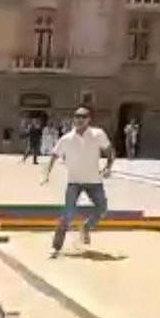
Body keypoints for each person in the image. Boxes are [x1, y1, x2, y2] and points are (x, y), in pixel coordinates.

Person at [43, 106, 114, 258]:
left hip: (94, 180)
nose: (79, 119)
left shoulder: (98, 134)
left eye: (83, 117)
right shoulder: (66, 139)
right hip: (74, 181)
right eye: (77, 116)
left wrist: (108, 167)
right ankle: (56, 247)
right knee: (68, 214)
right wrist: (46, 174)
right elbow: (54, 156)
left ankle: (86, 227)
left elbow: (109, 152)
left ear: (89, 119)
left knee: (102, 209)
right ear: (73, 119)